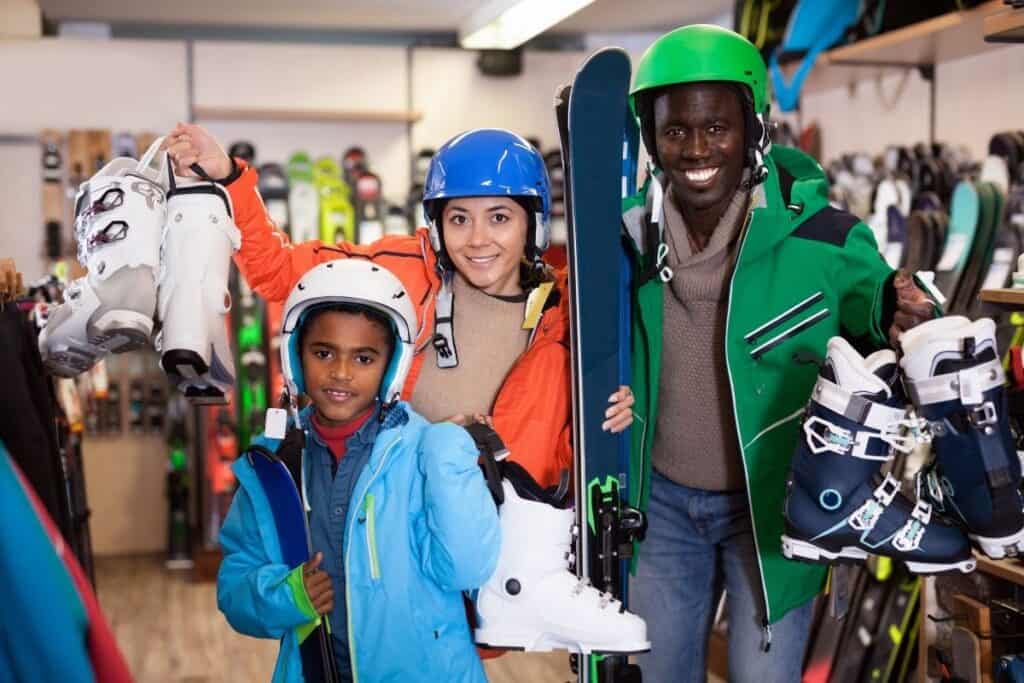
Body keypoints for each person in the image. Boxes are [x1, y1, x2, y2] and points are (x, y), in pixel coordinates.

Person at [621, 25, 936, 682]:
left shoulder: (819, 234)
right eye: (676, 131)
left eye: (717, 127)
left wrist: (895, 304)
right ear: (653, 140)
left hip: (773, 506)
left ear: (753, 129)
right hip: (663, 507)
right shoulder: (627, 238)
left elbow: (870, 298)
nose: (698, 147)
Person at [164, 126, 633, 490]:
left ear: (531, 225)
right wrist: (228, 176)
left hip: (518, 541)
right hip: (405, 524)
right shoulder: (405, 271)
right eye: (459, 218)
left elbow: (581, 449)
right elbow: (278, 272)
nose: (478, 239)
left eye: (499, 218)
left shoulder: (569, 317)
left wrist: (618, 411)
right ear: (438, 223)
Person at [217, 259, 500, 682]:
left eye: (364, 358)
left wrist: (449, 454)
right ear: (295, 356)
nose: (342, 373)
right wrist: (287, 594)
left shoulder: (422, 454)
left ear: (392, 366)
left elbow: (467, 567)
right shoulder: (272, 471)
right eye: (324, 352)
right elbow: (235, 587)